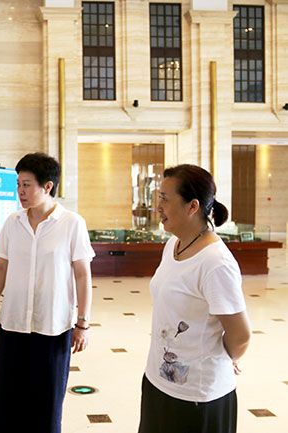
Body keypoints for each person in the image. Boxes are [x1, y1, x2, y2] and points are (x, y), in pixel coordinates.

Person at [0, 152, 94, 433]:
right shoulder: (13, 222)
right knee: (6, 402)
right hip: (13, 325)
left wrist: (83, 323)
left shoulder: (72, 223)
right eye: (18, 184)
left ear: (48, 186)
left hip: (52, 328)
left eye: (27, 185)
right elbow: (0, 268)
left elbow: (82, 275)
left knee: (47, 405)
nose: (20, 191)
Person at [138, 164, 252, 433]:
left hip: (198, 398)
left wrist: (221, 358)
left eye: (165, 199)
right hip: (158, 382)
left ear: (192, 206)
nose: (158, 207)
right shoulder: (173, 245)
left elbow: (240, 336)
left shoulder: (215, 263)